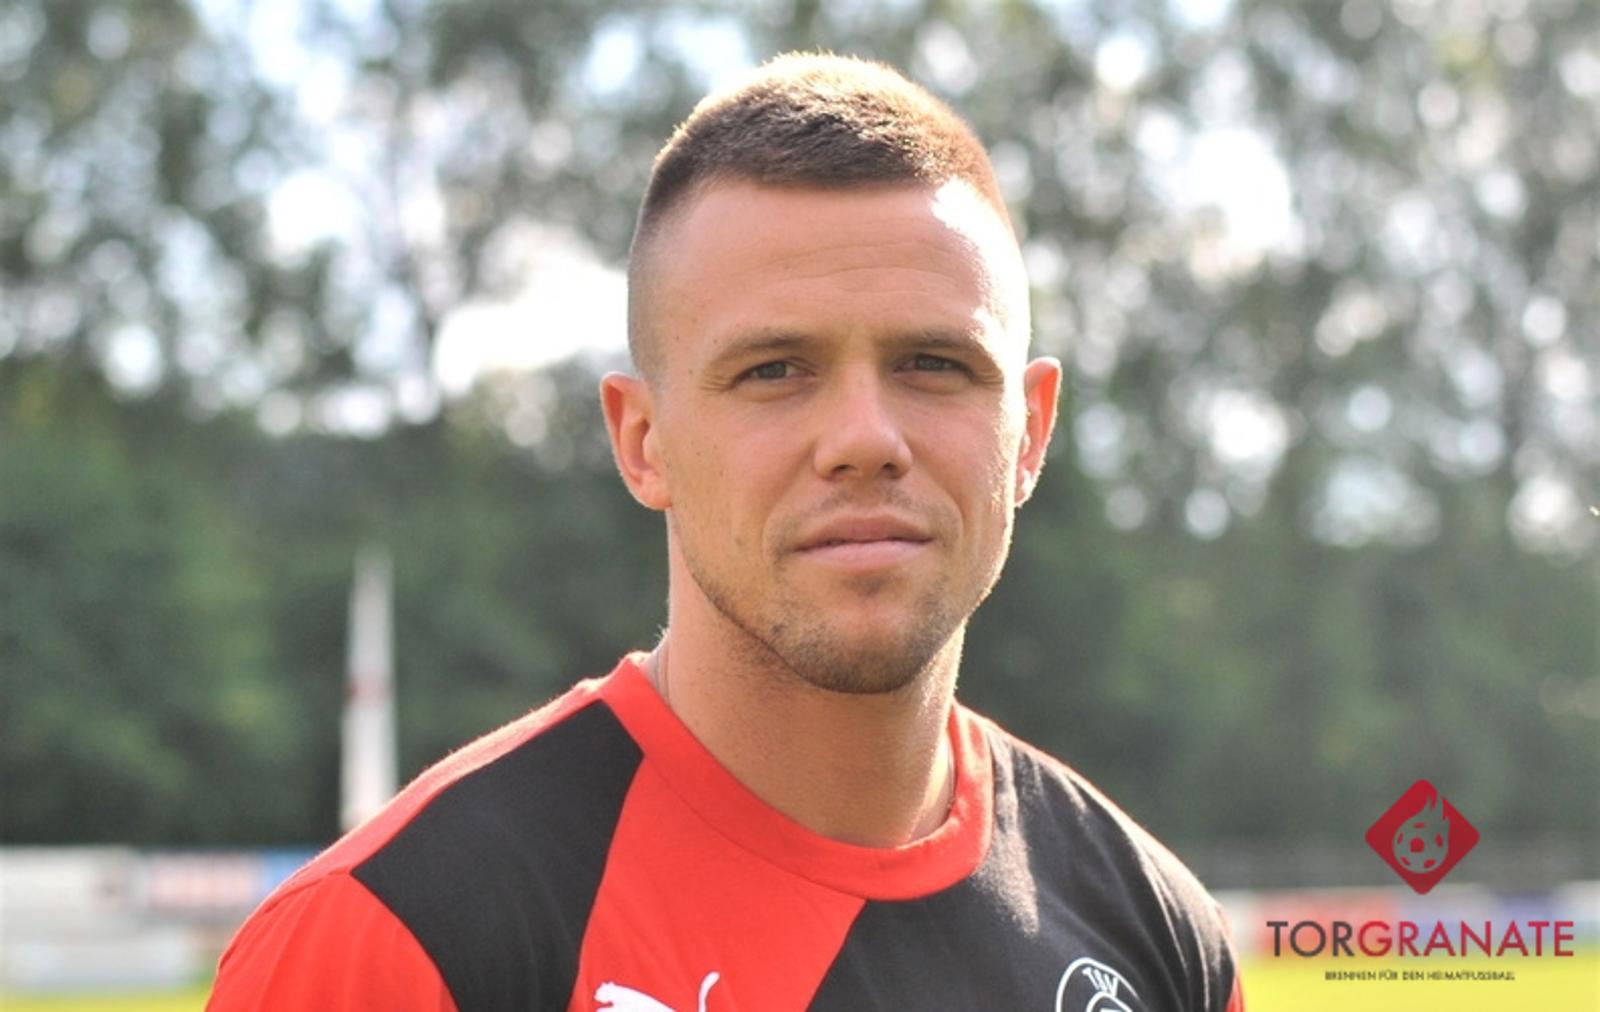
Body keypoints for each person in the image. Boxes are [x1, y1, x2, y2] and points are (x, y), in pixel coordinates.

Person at [208, 53, 1243, 1011]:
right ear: (643, 441)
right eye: (773, 370)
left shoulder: (1159, 940)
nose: (864, 439)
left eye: (934, 364)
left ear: (1030, 433)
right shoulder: (393, 942)